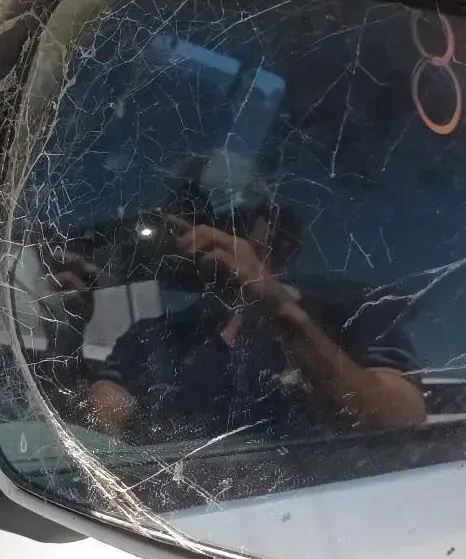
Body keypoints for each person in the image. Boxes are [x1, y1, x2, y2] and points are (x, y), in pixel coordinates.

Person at [36, 189, 427, 442]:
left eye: (237, 220)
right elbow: (107, 414)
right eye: (225, 221)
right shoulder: (155, 335)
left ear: (287, 240)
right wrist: (68, 325)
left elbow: (399, 418)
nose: (219, 233)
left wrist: (279, 310)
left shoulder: (353, 309)